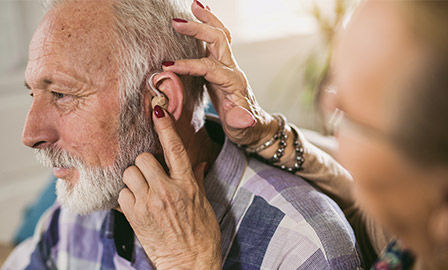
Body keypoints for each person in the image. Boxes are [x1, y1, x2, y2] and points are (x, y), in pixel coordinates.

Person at [2, 0, 363, 269]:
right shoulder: (74, 212)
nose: (30, 133)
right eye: (33, 94)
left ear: (162, 98)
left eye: (62, 94)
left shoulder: (300, 245)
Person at [119, 0, 448, 269]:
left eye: (343, 114)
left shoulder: (307, 243)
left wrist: (189, 264)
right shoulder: (412, 241)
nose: (327, 104)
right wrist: (265, 132)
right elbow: (371, 215)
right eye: (330, 83)